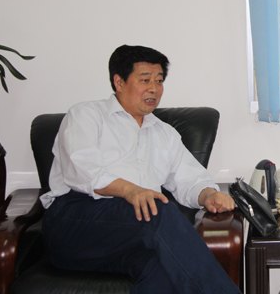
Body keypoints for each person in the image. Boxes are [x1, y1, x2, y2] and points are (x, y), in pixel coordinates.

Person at [40, 45, 240, 294]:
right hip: (75, 223)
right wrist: (130, 190)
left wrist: (209, 194)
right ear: (119, 82)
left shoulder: (164, 133)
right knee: (157, 211)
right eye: (145, 80)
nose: (154, 89)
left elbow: (189, 177)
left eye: (159, 81)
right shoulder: (85, 115)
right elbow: (81, 169)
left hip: (130, 234)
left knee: (163, 268)